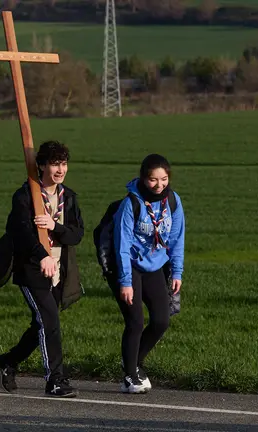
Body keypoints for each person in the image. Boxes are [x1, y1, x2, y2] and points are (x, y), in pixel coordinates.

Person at [0, 140, 84, 398]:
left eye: (63, 164)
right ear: (42, 166)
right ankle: (55, 380)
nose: (60, 169)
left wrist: (55, 227)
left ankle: (8, 361)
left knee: (42, 324)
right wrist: (42, 255)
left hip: (58, 270)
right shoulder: (25, 196)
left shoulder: (69, 197)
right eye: (55, 164)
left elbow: (77, 234)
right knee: (49, 321)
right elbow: (20, 233)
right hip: (32, 269)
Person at [112, 153, 185, 394]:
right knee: (135, 322)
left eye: (163, 179)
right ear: (144, 178)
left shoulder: (172, 201)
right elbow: (121, 245)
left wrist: (177, 272)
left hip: (155, 266)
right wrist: (125, 282)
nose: (159, 185)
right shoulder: (131, 204)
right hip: (130, 267)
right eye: (153, 179)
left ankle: (133, 362)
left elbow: (176, 239)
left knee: (161, 321)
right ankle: (129, 376)